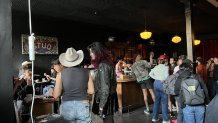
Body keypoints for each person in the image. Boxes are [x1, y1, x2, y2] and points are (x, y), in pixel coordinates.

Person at [53, 47, 94, 123]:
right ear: (78, 59)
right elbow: (91, 91)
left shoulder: (60, 74)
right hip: (83, 104)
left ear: (66, 61)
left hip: (67, 105)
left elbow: (56, 95)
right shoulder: (87, 72)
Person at [87, 42, 118, 123]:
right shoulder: (107, 63)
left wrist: (101, 106)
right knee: (109, 119)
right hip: (109, 96)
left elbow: (105, 88)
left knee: (108, 120)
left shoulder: (103, 65)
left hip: (106, 99)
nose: (90, 54)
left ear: (97, 52)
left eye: (91, 52)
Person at [149, 55, 169, 123]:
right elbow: (167, 76)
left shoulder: (156, 67)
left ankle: (154, 118)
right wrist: (162, 79)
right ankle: (165, 119)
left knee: (156, 101)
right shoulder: (166, 67)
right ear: (165, 60)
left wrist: (156, 78)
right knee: (164, 102)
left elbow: (150, 74)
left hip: (156, 83)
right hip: (162, 84)